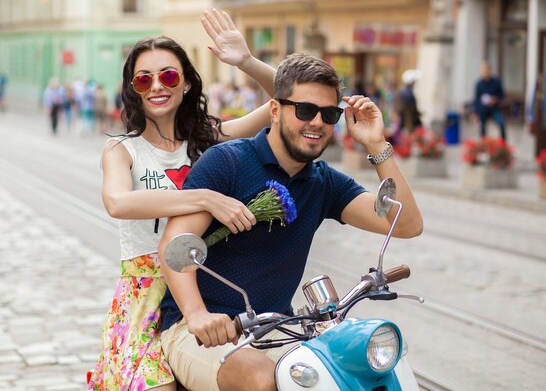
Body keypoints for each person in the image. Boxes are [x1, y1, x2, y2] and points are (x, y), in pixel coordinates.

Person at [158, 53, 424, 391]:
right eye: (304, 110)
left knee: (357, 371)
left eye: (329, 115)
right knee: (261, 379)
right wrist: (197, 314)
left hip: (278, 329)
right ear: (275, 110)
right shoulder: (227, 162)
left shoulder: (323, 182)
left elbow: (406, 224)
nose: (317, 122)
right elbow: (174, 244)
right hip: (199, 331)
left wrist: (376, 143)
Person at [87, 8, 277, 391]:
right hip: (144, 296)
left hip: (204, 289)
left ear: (187, 83)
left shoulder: (209, 137)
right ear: (133, 89)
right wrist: (205, 198)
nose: (157, 86)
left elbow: (285, 101)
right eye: (144, 79)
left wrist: (246, 61)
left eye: (169, 75)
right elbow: (118, 203)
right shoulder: (123, 149)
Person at [473, 60, 506, 141]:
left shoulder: (496, 82)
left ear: (490, 71)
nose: (484, 72)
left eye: (486, 70)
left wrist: (495, 99)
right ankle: (483, 143)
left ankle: (503, 143)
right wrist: (475, 112)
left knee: (501, 123)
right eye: (482, 70)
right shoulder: (479, 84)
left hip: (494, 108)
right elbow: (476, 99)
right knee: (481, 125)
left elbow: (501, 95)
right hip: (483, 109)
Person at [396, 69, 422, 134]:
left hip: (407, 120)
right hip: (408, 121)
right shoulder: (407, 92)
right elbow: (410, 109)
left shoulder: (405, 91)